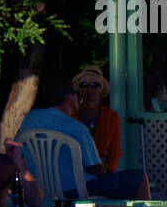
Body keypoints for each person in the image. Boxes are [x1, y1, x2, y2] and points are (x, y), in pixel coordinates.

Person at [18, 83, 150, 199]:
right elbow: (96, 170)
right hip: (76, 190)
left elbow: (20, 153)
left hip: (37, 189)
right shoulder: (77, 128)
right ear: (69, 98)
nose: (80, 99)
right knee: (138, 178)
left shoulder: (29, 119)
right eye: (78, 94)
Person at [70, 65, 122, 173]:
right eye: (84, 85)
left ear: (102, 89)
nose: (90, 89)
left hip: (104, 170)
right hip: (75, 170)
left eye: (95, 84)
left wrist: (105, 172)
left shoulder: (112, 117)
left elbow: (115, 152)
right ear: (79, 90)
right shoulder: (70, 115)